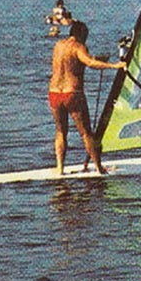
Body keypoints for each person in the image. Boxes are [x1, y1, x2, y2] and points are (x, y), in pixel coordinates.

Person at [48, 20, 125, 175]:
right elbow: (88, 62)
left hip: (54, 93)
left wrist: (98, 59)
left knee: (60, 131)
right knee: (86, 133)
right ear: (81, 34)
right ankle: (98, 168)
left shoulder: (58, 45)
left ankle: (59, 169)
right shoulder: (79, 47)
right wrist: (114, 66)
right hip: (72, 94)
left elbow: (73, 61)